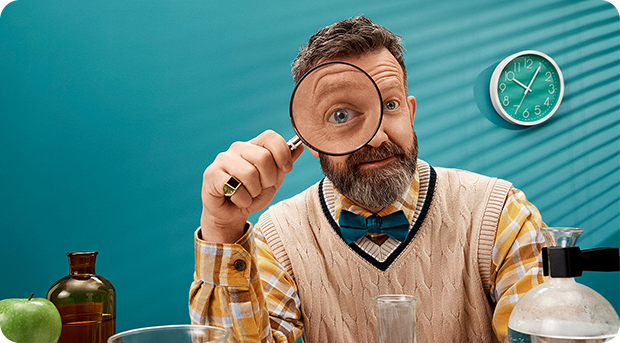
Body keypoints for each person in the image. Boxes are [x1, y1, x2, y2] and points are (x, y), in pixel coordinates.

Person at [189, 15, 547, 343]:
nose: (376, 137)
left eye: (389, 106)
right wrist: (222, 229)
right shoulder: (276, 238)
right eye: (341, 114)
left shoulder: (500, 214)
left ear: (410, 112)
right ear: (310, 137)